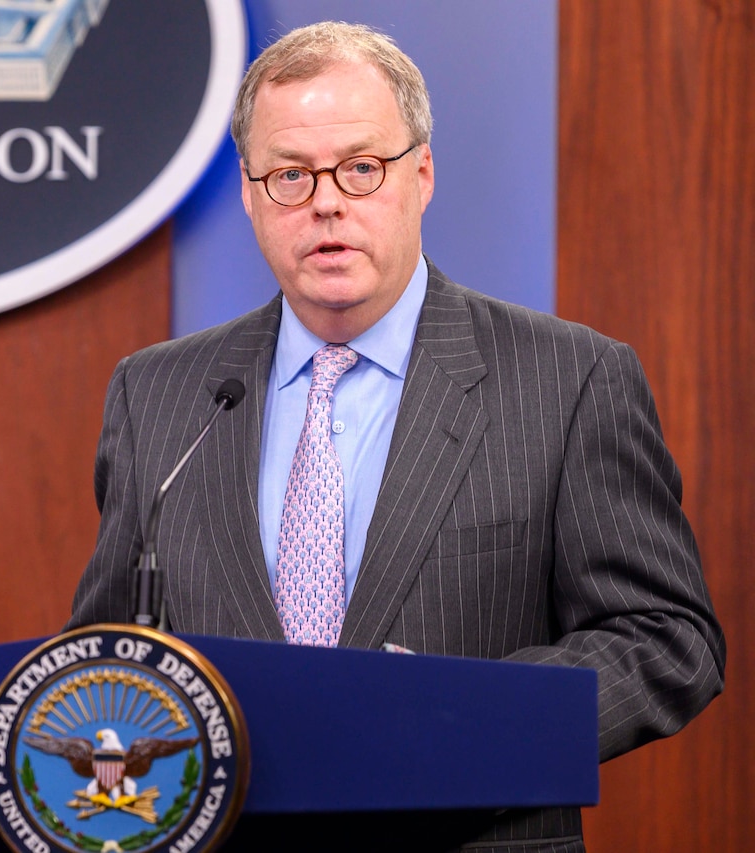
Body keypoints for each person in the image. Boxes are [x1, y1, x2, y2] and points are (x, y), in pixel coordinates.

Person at [67, 20, 725, 852]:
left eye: (361, 168)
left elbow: (670, 638)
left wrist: (463, 715)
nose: (327, 201)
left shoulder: (569, 379)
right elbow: (100, 662)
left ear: (421, 174)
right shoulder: (158, 394)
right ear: (248, 192)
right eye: (290, 176)